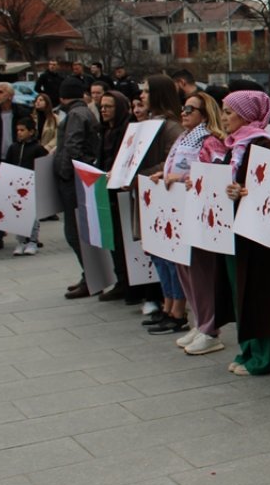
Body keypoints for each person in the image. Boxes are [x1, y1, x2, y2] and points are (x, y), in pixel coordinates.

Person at [221, 89, 270, 376]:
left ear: (246, 115)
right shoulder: (234, 145)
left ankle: (264, 355)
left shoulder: (263, 145)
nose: (223, 118)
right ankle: (247, 349)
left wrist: (245, 192)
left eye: (228, 112)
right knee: (239, 291)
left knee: (256, 291)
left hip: (255, 234)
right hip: (233, 229)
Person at [169, 92, 228, 355]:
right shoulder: (183, 138)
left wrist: (182, 179)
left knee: (201, 271)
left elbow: (211, 175)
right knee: (185, 268)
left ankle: (210, 327)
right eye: (183, 108)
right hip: (180, 211)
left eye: (189, 109)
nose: (183, 112)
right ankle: (199, 321)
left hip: (200, 214)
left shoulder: (210, 141)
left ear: (203, 115)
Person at [133, 76, 184, 317]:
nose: (142, 96)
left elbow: (175, 162)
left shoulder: (172, 126)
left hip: (163, 196)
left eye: (146, 91)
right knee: (156, 253)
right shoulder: (149, 123)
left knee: (169, 256)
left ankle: (176, 308)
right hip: (148, 195)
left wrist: (140, 173)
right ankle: (167, 304)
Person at [55, 78, 101, 298]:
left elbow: (72, 148)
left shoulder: (74, 115)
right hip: (79, 178)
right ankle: (89, 276)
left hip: (73, 180)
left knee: (74, 233)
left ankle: (90, 277)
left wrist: (64, 171)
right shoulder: (85, 112)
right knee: (79, 232)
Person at [95, 90, 138, 304]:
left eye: (108, 106)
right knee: (113, 240)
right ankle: (121, 280)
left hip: (121, 192)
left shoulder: (125, 131)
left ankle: (129, 284)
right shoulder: (104, 130)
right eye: (102, 106)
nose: (103, 110)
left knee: (124, 242)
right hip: (106, 189)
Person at [0, 81, 30, 252]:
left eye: (1, 92)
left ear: (10, 95)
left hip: (18, 160)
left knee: (20, 199)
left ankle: (25, 238)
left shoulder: (21, 112)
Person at [0, 118, 48, 256]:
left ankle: (32, 241)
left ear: (31, 132)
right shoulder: (13, 148)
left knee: (32, 215)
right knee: (18, 214)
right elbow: (7, 164)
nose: (19, 133)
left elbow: (43, 166)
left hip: (31, 185)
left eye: (22, 130)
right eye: (17, 130)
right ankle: (21, 241)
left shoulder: (38, 148)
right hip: (16, 186)